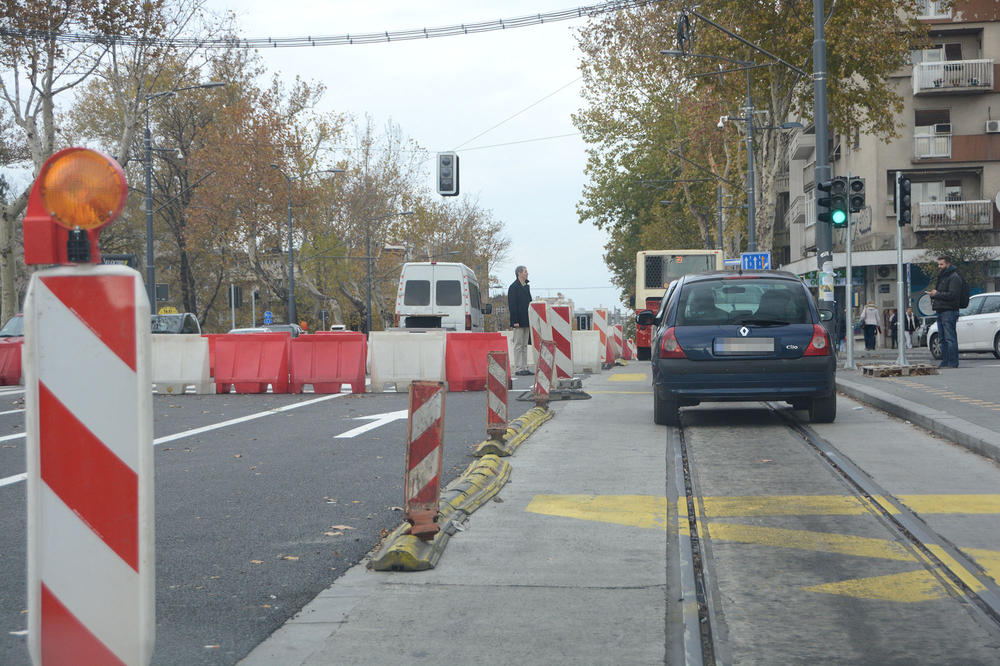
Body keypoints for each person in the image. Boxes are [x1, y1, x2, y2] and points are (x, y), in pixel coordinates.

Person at [927, 255, 963, 368]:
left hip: (949, 311)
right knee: (942, 338)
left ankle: (953, 362)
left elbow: (953, 295)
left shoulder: (954, 277)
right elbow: (943, 293)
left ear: (948, 264)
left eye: (941, 264)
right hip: (941, 310)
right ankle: (945, 361)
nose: (939, 266)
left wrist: (937, 294)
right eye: (938, 264)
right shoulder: (942, 277)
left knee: (950, 338)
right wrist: (934, 295)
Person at [507, 265, 532, 375]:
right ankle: (518, 368)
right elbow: (512, 305)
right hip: (518, 321)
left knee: (525, 345)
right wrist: (515, 321)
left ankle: (524, 367)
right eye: (525, 271)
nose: (527, 273)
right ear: (519, 273)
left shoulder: (526, 286)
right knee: (518, 345)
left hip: (527, 320)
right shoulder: (513, 287)